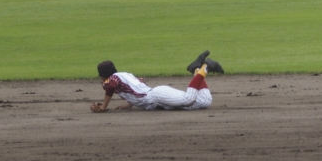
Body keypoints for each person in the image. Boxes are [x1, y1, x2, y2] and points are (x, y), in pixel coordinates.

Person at [90, 51, 224, 112]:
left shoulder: (113, 78)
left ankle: (206, 68)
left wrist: (104, 106)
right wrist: (129, 105)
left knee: (188, 99)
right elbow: (136, 89)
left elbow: (111, 86)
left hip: (156, 95)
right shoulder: (124, 75)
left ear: (103, 75)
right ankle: (196, 69)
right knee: (204, 102)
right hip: (159, 100)